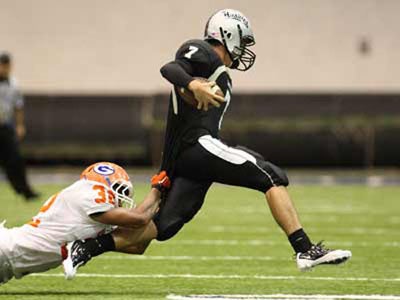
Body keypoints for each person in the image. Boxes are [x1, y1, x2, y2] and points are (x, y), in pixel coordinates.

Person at [63, 9, 351, 276]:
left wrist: (166, 171)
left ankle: (85, 248)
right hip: (197, 147)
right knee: (271, 175)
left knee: (160, 229)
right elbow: (170, 68)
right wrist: (194, 84)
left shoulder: (216, 69)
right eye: (243, 40)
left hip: (185, 159)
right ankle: (305, 250)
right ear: (228, 34)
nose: (244, 49)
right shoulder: (202, 52)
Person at [0, 162, 170, 284]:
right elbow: (139, 218)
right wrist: (157, 190)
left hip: (8, 262)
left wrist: (160, 205)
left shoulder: (92, 209)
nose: (121, 198)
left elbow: (137, 246)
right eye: (120, 190)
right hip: (5, 251)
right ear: (102, 182)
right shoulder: (88, 192)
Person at [0, 51, 38, 200]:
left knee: (15, 160)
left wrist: (20, 125)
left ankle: (24, 191)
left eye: (7, 66)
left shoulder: (13, 84)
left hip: (5, 126)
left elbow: (18, 105)